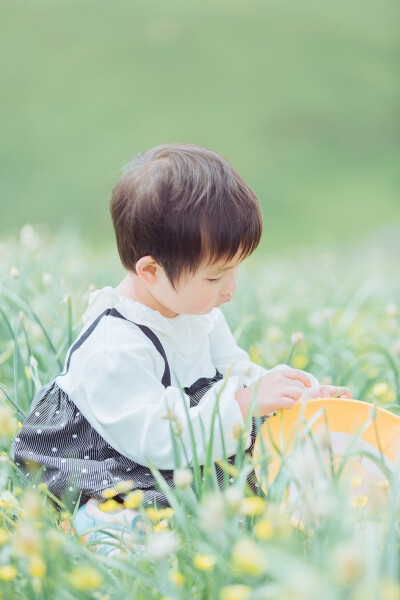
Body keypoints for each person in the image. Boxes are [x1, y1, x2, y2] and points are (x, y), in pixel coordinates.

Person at [10, 143, 350, 554]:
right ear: (150, 272)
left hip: (185, 437)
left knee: (263, 466)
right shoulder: (113, 348)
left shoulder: (196, 308)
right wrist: (243, 405)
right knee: (145, 514)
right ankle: (95, 523)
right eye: (215, 277)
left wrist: (292, 395)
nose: (231, 287)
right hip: (117, 461)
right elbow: (156, 441)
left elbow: (233, 371)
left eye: (235, 268)